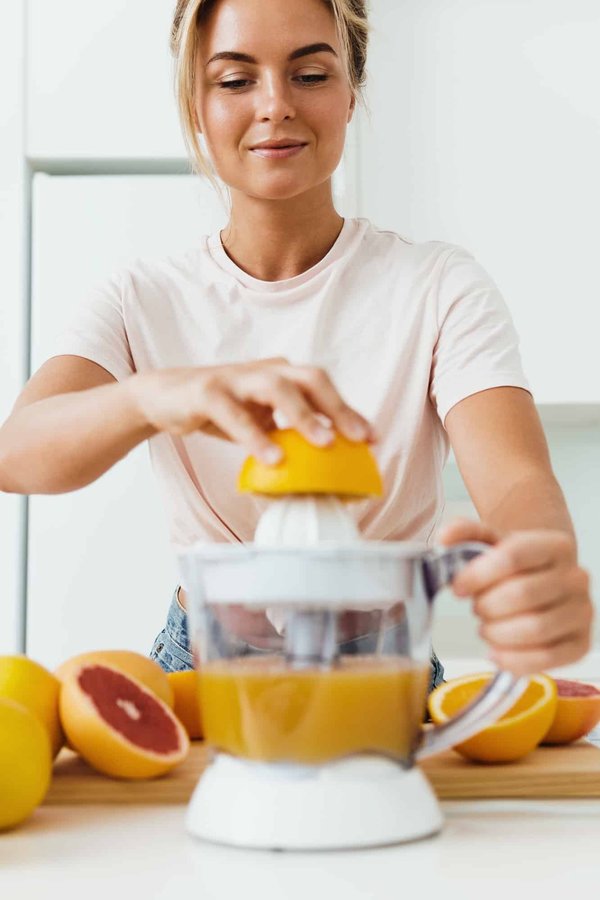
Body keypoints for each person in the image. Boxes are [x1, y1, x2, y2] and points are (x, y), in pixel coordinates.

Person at [0, 0, 592, 686]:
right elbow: (16, 454)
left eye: (310, 74)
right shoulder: (141, 296)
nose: (275, 104)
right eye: (234, 80)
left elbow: (517, 478)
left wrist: (537, 563)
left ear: (351, 92)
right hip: (200, 670)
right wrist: (164, 394)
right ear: (196, 103)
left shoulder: (438, 285)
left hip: (386, 671)